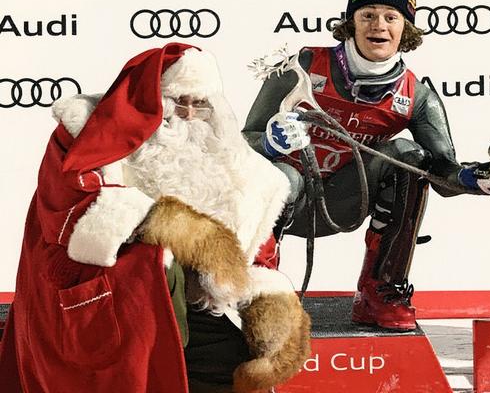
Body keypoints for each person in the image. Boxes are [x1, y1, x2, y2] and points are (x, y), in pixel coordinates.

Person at [243, 0, 490, 332]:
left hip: (345, 201)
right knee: (281, 171)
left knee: (407, 157)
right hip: (284, 199)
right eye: (367, 14)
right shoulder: (300, 66)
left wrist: (479, 179)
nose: (377, 25)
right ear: (350, 23)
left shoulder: (416, 95)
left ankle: (380, 292)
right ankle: (259, 293)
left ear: (405, 29)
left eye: (390, 17)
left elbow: (440, 171)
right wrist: (268, 143)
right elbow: (242, 145)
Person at [0, 43, 309, 392]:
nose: (189, 115)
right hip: (111, 301)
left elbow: (253, 250)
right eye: (178, 102)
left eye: (200, 104)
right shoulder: (84, 137)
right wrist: (184, 229)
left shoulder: (231, 162)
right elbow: (71, 221)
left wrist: (271, 307)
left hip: (191, 308)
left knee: (233, 364)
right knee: (158, 266)